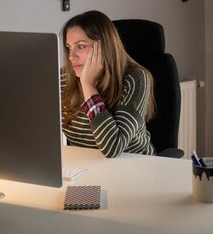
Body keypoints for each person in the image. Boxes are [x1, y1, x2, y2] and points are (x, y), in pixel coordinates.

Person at [61, 10, 156, 157]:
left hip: (135, 167)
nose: (71, 57)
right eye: (69, 47)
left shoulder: (136, 79)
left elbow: (113, 147)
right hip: (87, 168)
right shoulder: (63, 78)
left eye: (80, 46)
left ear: (104, 46)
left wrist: (88, 86)